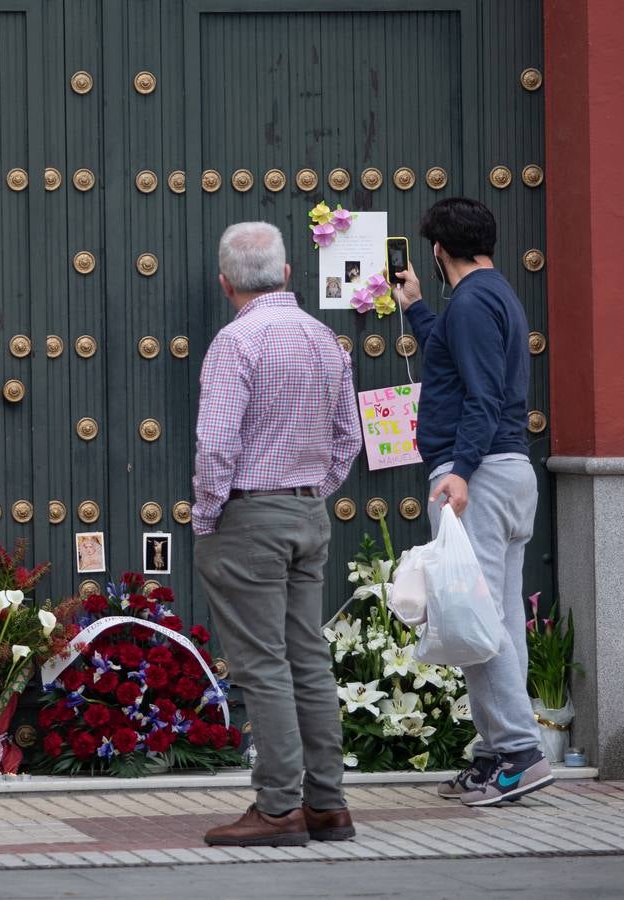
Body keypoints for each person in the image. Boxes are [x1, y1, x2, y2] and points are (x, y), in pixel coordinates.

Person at [192, 222, 360, 846]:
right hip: (305, 516)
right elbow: (350, 437)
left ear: (225, 282)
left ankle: (278, 806)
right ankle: (327, 805)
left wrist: (209, 515)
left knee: (262, 665)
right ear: (289, 274)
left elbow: (217, 442)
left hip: (249, 517)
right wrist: (313, 493)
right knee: (308, 661)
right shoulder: (324, 340)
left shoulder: (236, 343)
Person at [393, 197, 552, 807]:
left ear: (437, 251)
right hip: (508, 473)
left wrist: (458, 471)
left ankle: (518, 752)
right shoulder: (491, 296)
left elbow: (481, 397)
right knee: (501, 617)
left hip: (478, 479)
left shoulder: (473, 302)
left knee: (472, 617)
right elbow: (453, 360)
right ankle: (493, 754)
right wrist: (414, 308)